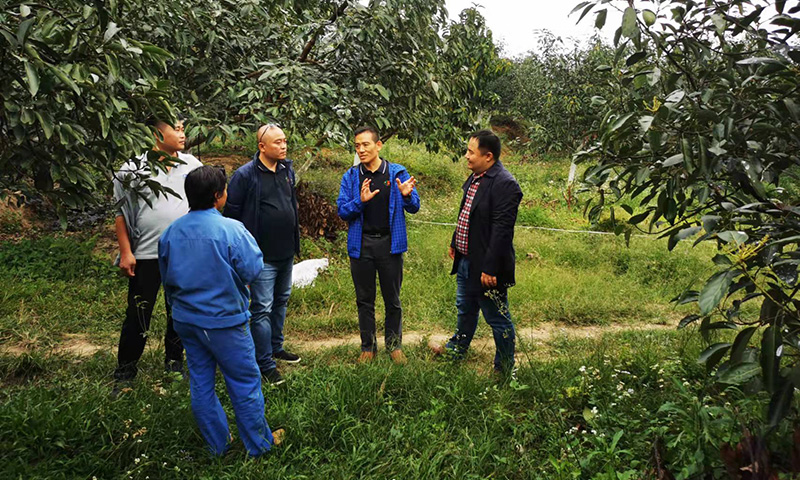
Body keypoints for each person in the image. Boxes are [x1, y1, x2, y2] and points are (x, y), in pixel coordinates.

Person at [158, 165, 283, 457]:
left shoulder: (170, 233)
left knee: (201, 382)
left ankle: (218, 446)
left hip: (187, 321)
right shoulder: (230, 229)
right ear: (218, 196)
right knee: (243, 382)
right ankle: (259, 446)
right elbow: (252, 269)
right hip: (224, 321)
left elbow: (167, 279)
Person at [112, 116, 202, 393]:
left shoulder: (192, 166)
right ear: (156, 134)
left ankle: (174, 364)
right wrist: (126, 252)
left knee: (180, 312)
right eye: (177, 129)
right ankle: (125, 372)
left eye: (183, 128)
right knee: (139, 313)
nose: (183, 134)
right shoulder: (133, 169)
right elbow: (120, 214)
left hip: (184, 254)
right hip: (147, 254)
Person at [431, 130, 522, 376]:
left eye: (471, 152)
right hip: (465, 259)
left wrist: (490, 268)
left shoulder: (505, 184)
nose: (466, 156)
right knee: (465, 308)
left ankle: (504, 368)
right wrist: (455, 242)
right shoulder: (477, 176)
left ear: (489, 156)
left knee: (497, 317)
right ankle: (457, 349)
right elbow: (467, 214)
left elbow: (502, 231)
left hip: (485, 267)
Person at [224, 124, 300, 386]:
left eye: (285, 141)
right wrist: (238, 257)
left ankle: (276, 347)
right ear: (262, 147)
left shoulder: (286, 170)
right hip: (261, 257)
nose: (283, 146)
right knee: (261, 309)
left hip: (285, 252)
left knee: (281, 302)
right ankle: (264, 362)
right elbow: (232, 216)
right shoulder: (245, 176)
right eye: (277, 142)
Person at [337, 126, 420, 364]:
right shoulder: (351, 177)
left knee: (392, 299)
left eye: (365, 145)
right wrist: (360, 201)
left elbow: (414, 206)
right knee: (364, 299)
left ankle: (394, 346)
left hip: (389, 244)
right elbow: (343, 211)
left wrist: (406, 194)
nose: (361, 150)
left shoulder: (396, 172)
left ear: (378, 145)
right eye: (357, 146)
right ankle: (368, 347)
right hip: (361, 244)